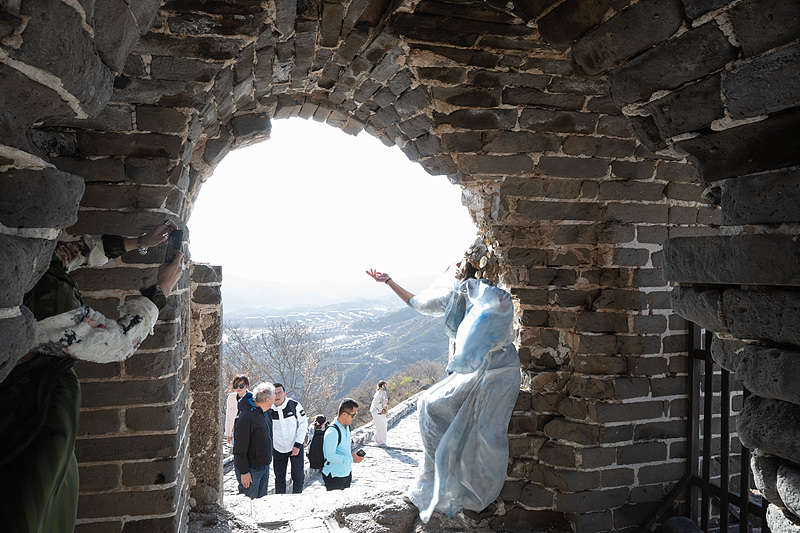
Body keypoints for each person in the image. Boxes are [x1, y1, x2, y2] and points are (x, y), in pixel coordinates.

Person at [0, 222, 183, 533]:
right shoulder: (49, 301)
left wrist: (138, 241)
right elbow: (118, 342)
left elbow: (67, 253)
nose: (62, 228)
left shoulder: (21, 256)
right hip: (30, 414)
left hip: (31, 404)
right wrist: (161, 290)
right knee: (31, 503)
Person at [366, 234, 521, 522]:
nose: (456, 268)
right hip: (474, 371)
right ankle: (438, 481)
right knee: (429, 406)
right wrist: (389, 282)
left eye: (462, 264)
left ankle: (454, 485)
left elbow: (497, 309)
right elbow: (418, 303)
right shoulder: (457, 296)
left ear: (475, 269)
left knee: (441, 411)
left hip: (496, 371)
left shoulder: (493, 298)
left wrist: (479, 290)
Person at [232, 382, 275, 499]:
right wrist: (244, 472)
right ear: (267, 400)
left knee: (261, 503)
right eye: (273, 397)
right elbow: (239, 449)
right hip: (251, 470)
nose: (274, 400)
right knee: (249, 503)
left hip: (264, 466)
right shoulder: (245, 417)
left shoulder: (265, 413)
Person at [269, 383, 308, 493]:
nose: (277, 396)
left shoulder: (294, 405)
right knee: (279, 478)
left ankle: (297, 497)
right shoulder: (268, 410)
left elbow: (303, 424)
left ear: (285, 394)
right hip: (278, 448)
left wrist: (298, 444)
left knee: (298, 477)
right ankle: (280, 500)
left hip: (295, 447)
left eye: (279, 393)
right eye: (274, 393)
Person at [322, 398, 364, 491]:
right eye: (353, 415)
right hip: (334, 476)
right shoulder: (332, 432)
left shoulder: (347, 427)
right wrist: (351, 459)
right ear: (344, 414)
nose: (354, 418)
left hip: (346, 473)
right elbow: (330, 456)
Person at [225, 375, 250, 445]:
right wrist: (228, 434)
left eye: (241, 386)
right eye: (236, 386)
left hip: (248, 430)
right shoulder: (231, 397)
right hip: (235, 429)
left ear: (246, 386)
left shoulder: (252, 397)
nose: (238, 388)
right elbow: (228, 415)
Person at [370, 380, 389, 446]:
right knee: (382, 426)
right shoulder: (378, 394)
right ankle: (381, 442)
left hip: (381, 412)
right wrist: (382, 404)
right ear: (380, 387)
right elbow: (375, 405)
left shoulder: (383, 393)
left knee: (383, 426)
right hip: (377, 412)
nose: (385, 387)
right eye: (384, 386)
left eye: (386, 385)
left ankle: (376, 439)